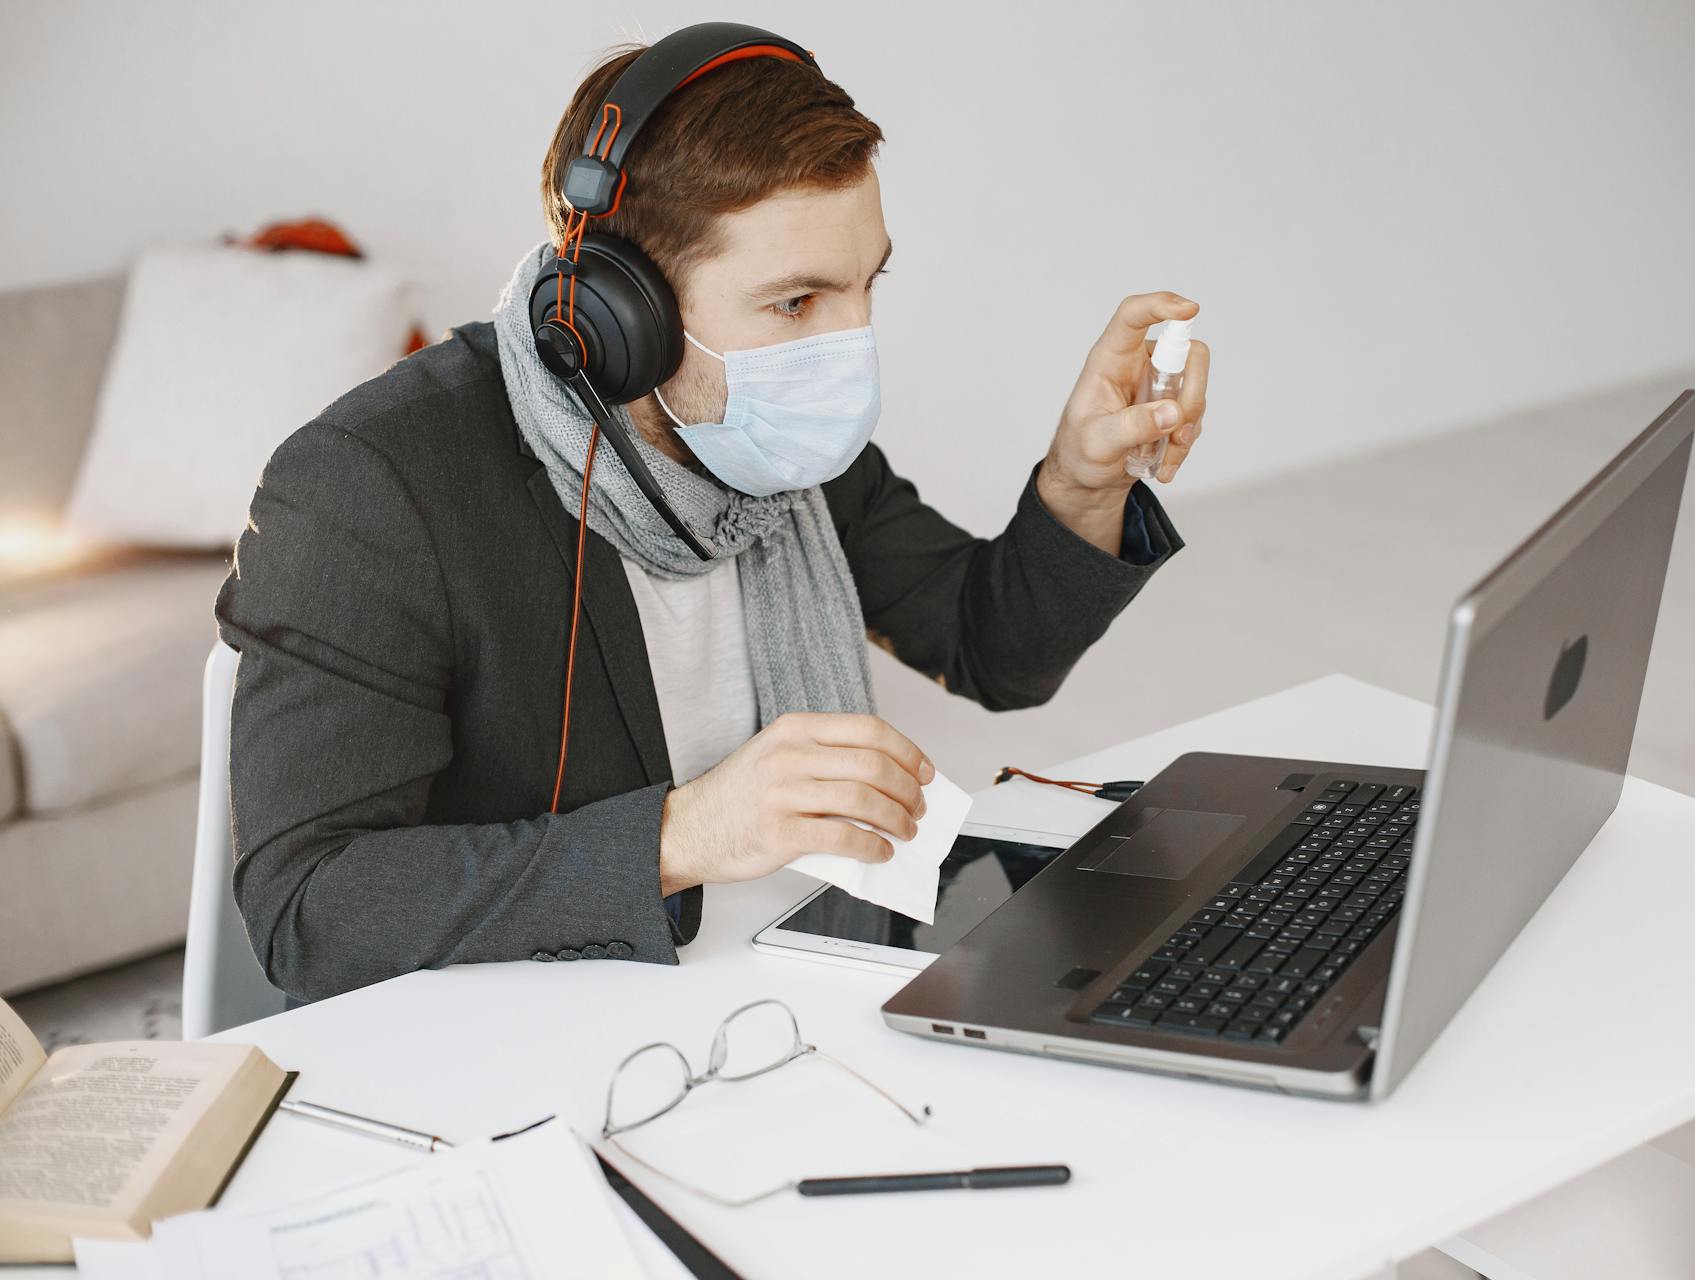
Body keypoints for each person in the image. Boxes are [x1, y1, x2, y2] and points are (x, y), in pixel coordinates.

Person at [214, 31, 1209, 1005]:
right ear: (620, 314)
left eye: (868, 285)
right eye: (795, 304)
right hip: (531, 1029)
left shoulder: (779, 448)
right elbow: (309, 908)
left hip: (773, 981)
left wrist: (1083, 489)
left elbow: (994, 649)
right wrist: (681, 835)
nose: (849, 347)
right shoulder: (369, 489)